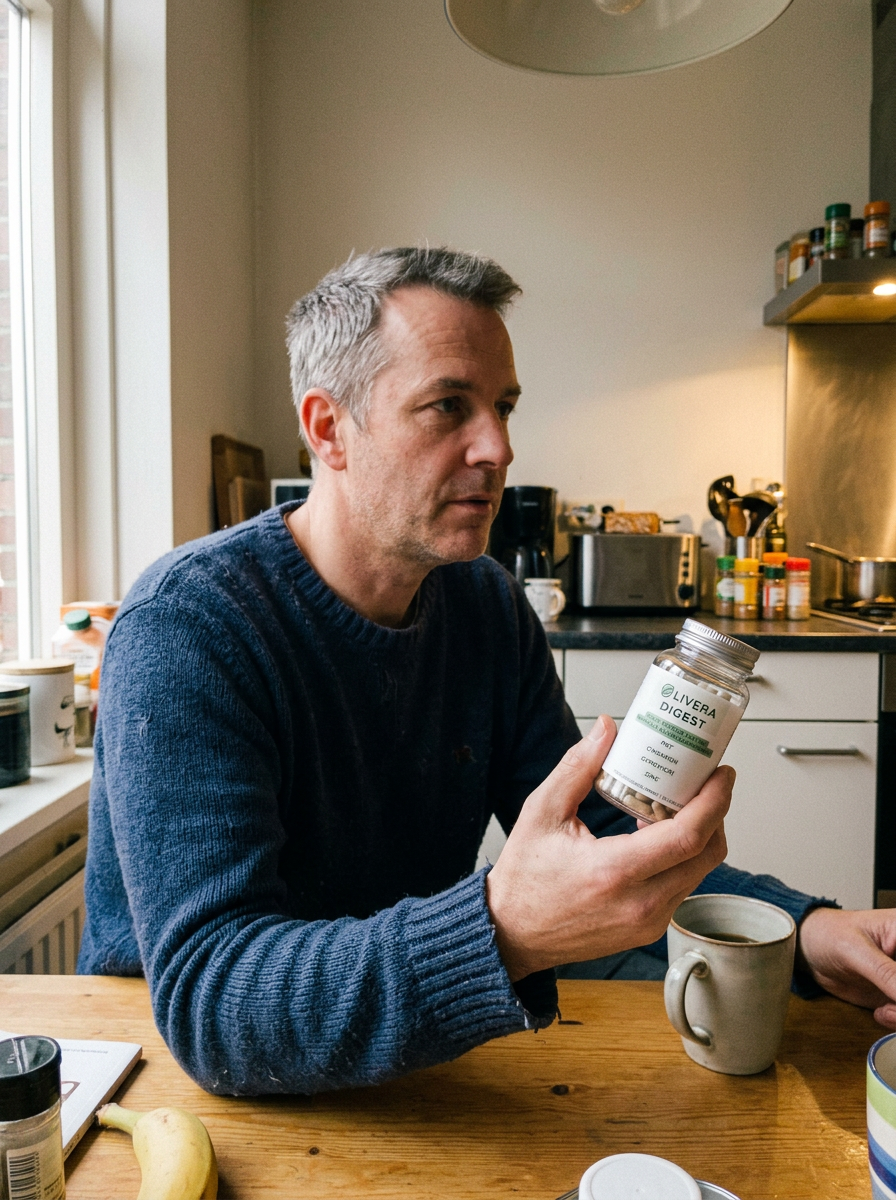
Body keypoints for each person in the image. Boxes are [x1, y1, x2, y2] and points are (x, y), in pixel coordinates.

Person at [78, 247, 896, 1096]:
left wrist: (804, 931)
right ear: (327, 429)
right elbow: (215, 1004)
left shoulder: (485, 606)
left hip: (405, 1066)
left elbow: (604, 838)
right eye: (448, 407)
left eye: (503, 407)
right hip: (167, 1083)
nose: (499, 447)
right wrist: (505, 927)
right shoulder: (188, 628)